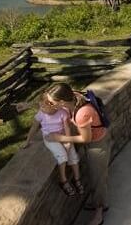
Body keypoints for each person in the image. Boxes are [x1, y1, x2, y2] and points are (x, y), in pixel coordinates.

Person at [45, 83, 110, 225]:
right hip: (93, 140)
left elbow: (85, 138)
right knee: (94, 175)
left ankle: (99, 211)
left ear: (62, 101)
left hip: (97, 145)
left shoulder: (82, 113)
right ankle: (96, 202)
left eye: (52, 102)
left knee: (97, 177)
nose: (50, 104)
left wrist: (60, 138)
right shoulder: (73, 95)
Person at [23, 90, 84, 197]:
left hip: (62, 136)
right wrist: (28, 141)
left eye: (44, 106)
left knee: (73, 156)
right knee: (62, 156)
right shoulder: (41, 114)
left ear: (54, 106)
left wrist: (68, 141)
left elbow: (67, 128)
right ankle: (63, 180)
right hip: (50, 138)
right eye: (41, 105)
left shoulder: (62, 112)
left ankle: (77, 179)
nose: (42, 108)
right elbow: (34, 128)